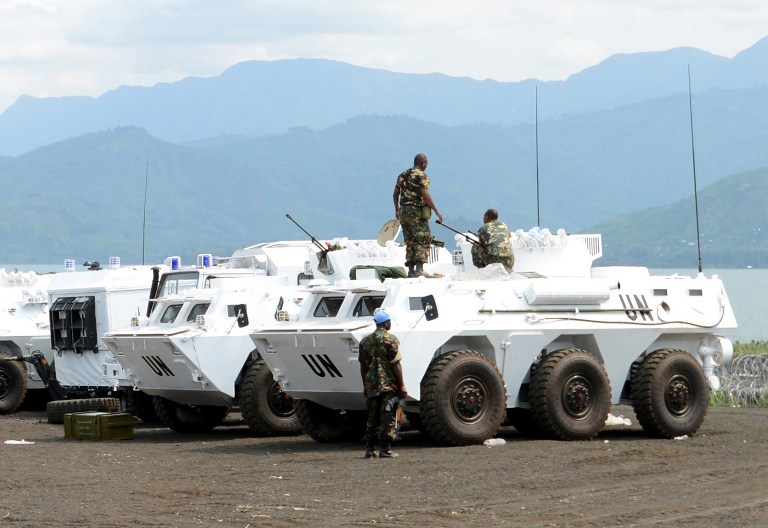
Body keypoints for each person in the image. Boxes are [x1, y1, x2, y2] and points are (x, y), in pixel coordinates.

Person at [358, 308, 407, 458]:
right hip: (388, 385)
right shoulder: (391, 340)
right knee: (387, 416)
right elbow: (395, 364)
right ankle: (385, 450)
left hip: (372, 385)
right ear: (386, 323)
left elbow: (363, 365)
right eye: (389, 321)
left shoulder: (365, 341)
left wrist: (365, 385)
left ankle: (369, 450)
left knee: (372, 418)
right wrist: (402, 384)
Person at [393, 153, 443, 278]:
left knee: (410, 241)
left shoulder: (402, 175)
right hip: (416, 212)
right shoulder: (422, 176)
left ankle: (411, 270)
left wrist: (397, 209)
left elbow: (395, 194)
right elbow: (425, 195)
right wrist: (436, 210)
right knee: (423, 238)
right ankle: (420, 269)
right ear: (423, 163)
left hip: (404, 212)